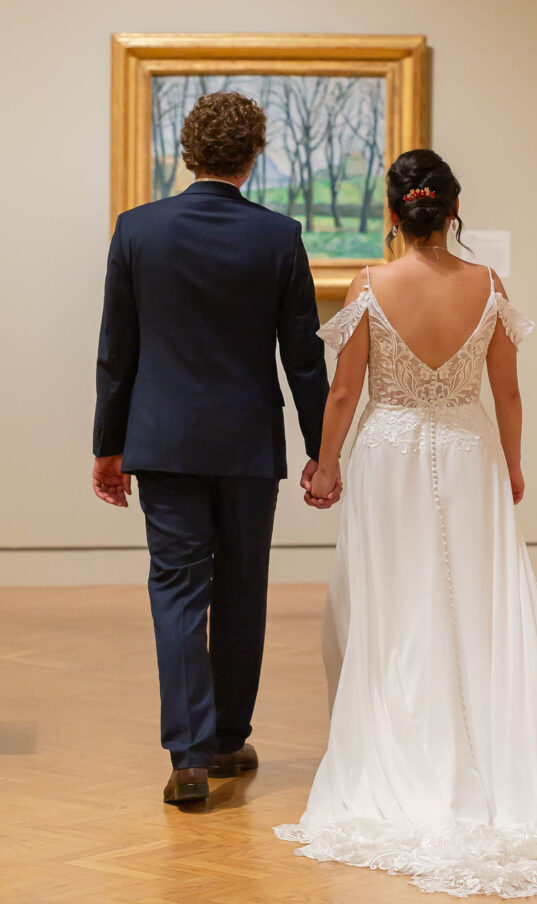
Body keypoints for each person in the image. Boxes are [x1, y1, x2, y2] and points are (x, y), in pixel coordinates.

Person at [274, 149, 537, 897]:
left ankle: (406, 757)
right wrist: (512, 464)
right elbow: (508, 393)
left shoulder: (369, 286)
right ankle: (499, 762)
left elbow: (345, 391)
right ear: (452, 210)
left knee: (393, 612)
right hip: (469, 452)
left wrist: (326, 465)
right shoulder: (488, 286)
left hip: (388, 454)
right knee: (481, 613)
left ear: (394, 213)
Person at [92, 91, 340, 805]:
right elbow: (302, 360)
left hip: (161, 441)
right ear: (254, 157)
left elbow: (118, 354)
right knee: (239, 588)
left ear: (185, 151)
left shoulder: (137, 230)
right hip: (244, 442)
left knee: (176, 590)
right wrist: (322, 451)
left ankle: (189, 756)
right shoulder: (278, 237)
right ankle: (229, 739)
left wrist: (108, 447)